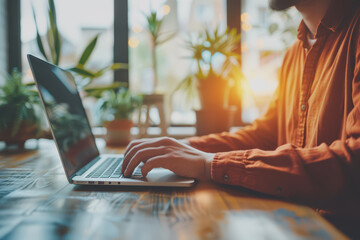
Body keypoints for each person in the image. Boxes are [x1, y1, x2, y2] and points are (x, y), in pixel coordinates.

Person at [122, 0, 360, 215]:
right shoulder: (293, 55)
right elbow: (266, 136)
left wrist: (210, 164)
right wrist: (185, 149)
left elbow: (354, 161)